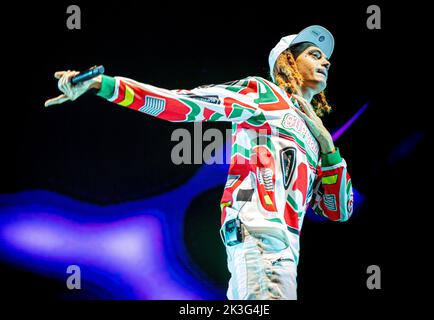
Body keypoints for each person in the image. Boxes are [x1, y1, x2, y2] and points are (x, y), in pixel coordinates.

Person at [45, 25, 354, 300]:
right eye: (315, 54)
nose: (326, 61)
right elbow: (184, 105)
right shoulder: (265, 94)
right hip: (260, 239)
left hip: (284, 252)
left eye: (325, 57)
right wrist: (107, 86)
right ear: (288, 61)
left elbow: (338, 210)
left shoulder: (317, 139)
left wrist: (327, 145)